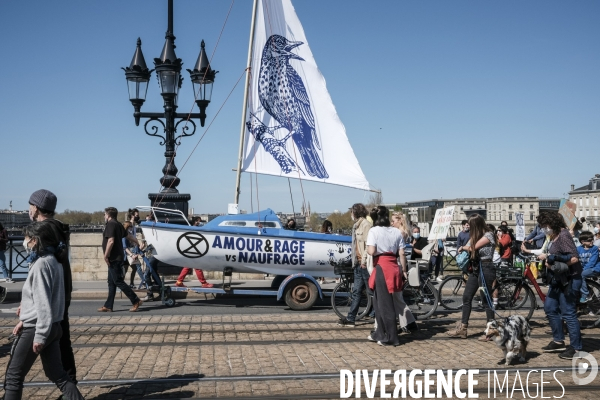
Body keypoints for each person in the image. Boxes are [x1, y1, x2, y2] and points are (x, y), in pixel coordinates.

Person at [4, 222, 84, 400]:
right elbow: (49, 299)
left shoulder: (41, 264)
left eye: (26, 238)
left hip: (37, 328)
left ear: (34, 240)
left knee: (13, 377)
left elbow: (42, 303)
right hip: (53, 327)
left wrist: (39, 334)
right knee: (59, 376)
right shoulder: (54, 261)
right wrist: (24, 319)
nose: (24, 241)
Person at [27, 189, 77, 384]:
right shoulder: (57, 226)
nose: (29, 209)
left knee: (59, 340)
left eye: (30, 205)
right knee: (61, 338)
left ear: (36, 208)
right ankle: (68, 383)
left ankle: (69, 384)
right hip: (62, 290)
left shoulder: (45, 229)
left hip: (53, 292)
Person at [536, 211, 583, 359]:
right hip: (557, 279)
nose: (544, 228)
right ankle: (558, 340)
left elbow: (574, 258)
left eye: (545, 225)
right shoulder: (553, 236)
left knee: (568, 312)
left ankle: (576, 348)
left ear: (552, 223)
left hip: (569, 279)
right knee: (550, 307)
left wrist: (555, 265)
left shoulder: (563, 235)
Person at [366, 206, 414, 346]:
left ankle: (391, 337)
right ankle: (380, 332)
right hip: (393, 266)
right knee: (378, 301)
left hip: (381, 266)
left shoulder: (373, 231)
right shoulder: (396, 232)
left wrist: (368, 249)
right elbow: (402, 254)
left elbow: (372, 250)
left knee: (384, 303)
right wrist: (404, 270)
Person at [447, 214, 496, 340]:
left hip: (486, 268)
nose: (470, 228)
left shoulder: (488, 235)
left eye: (471, 225)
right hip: (475, 269)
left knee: (486, 300)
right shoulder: (475, 236)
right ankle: (463, 329)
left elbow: (473, 247)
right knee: (467, 297)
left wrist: (463, 247)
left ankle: (491, 330)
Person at [99, 207, 143, 312]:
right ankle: (108, 306)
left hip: (113, 258)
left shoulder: (111, 224)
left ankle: (136, 300)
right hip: (117, 257)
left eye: (104, 214)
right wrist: (137, 242)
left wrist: (106, 255)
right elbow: (128, 236)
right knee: (111, 282)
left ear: (108, 215)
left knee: (118, 281)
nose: (104, 216)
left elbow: (111, 241)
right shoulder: (118, 224)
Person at [338, 203, 372, 327]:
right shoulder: (356, 226)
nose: (351, 214)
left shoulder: (366, 225)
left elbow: (368, 245)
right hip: (357, 264)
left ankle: (383, 316)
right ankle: (351, 318)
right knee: (356, 291)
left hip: (364, 264)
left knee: (372, 291)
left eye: (352, 212)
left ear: (356, 212)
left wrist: (363, 261)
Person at [175, 217, 214, 289]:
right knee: (197, 267)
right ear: (194, 222)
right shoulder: (195, 229)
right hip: (194, 251)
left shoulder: (191, 229)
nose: (199, 222)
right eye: (197, 221)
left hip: (191, 250)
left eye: (199, 221)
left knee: (187, 267)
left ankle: (179, 282)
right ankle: (203, 283)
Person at [577, 231, 600, 303]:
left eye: (592, 239)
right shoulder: (578, 249)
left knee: (582, 275)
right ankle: (588, 291)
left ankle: (585, 294)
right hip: (585, 269)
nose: (592, 241)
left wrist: (582, 270)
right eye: (589, 240)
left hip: (595, 268)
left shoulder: (594, 248)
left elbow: (592, 262)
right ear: (582, 241)